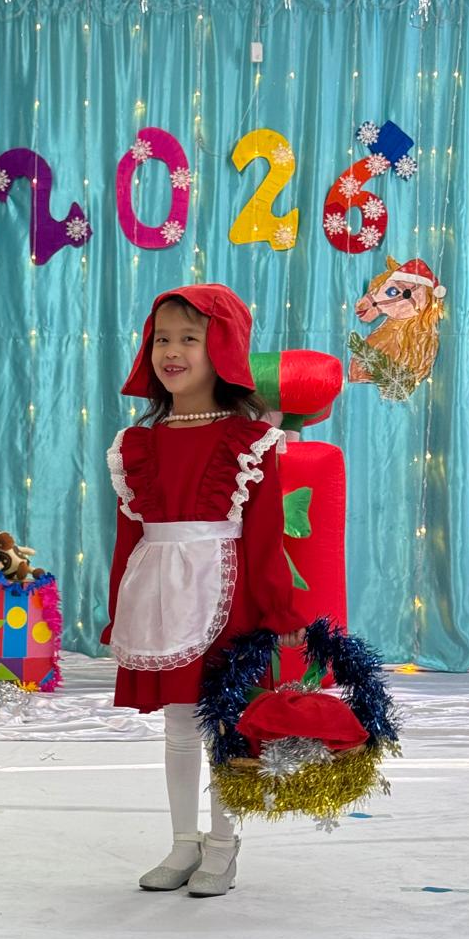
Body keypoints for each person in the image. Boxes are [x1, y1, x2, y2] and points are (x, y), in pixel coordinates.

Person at [102, 285, 309, 897]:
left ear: (222, 349)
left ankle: (223, 843)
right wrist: (119, 611)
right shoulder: (137, 444)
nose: (172, 351)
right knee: (178, 724)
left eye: (189, 338)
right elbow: (128, 538)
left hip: (226, 592)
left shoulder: (248, 442)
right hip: (158, 593)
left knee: (223, 720)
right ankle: (182, 841)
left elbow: (265, 537)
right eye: (162, 339)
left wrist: (278, 610)